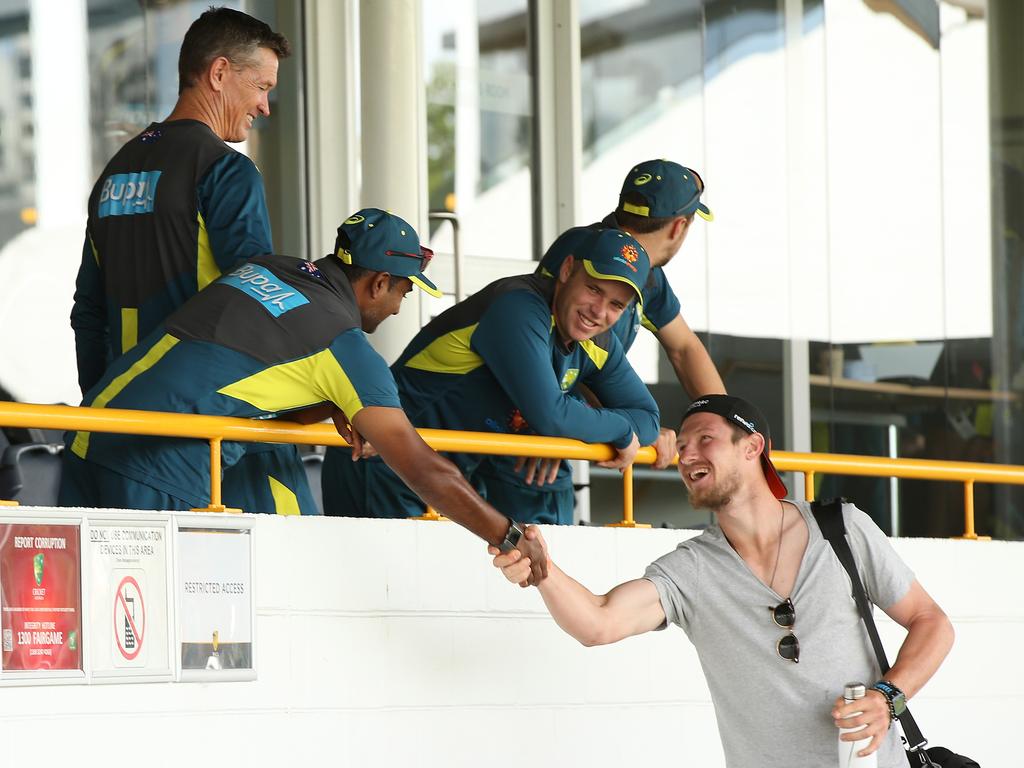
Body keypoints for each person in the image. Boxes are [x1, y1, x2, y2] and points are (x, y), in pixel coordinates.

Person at [59, 209, 547, 583]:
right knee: (148, 643)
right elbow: (421, 467)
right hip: (158, 469)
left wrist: (329, 403)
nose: (398, 309)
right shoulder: (345, 345)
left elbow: (242, 371)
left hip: (91, 436)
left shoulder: (267, 269)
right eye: (403, 292)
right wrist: (507, 535)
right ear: (378, 283)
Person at [490, 394, 954, 766]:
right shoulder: (693, 570)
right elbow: (598, 622)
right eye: (683, 445)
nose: (686, 453)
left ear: (752, 447)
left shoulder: (842, 529)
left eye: (704, 438)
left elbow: (931, 621)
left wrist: (888, 697)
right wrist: (542, 573)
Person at [70, 7, 312, 515]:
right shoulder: (226, 171)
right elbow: (256, 308)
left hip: (120, 439)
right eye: (262, 86)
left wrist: (105, 405)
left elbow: (87, 312)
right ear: (219, 73)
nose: (265, 106)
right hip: (211, 438)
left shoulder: (115, 173)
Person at [322, 227, 661, 524]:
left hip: (441, 479)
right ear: (567, 270)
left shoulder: (597, 340)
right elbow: (551, 415)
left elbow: (648, 419)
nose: (599, 311)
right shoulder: (519, 307)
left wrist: (594, 425)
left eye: (617, 305)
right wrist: (619, 430)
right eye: (593, 289)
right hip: (380, 464)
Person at [538, 159, 726, 468]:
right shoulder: (591, 249)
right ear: (680, 227)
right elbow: (577, 350)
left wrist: (731, 423)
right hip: (530, 427)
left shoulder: (643, 268)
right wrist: (633, 427)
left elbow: (683, 347)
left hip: (565, 429)